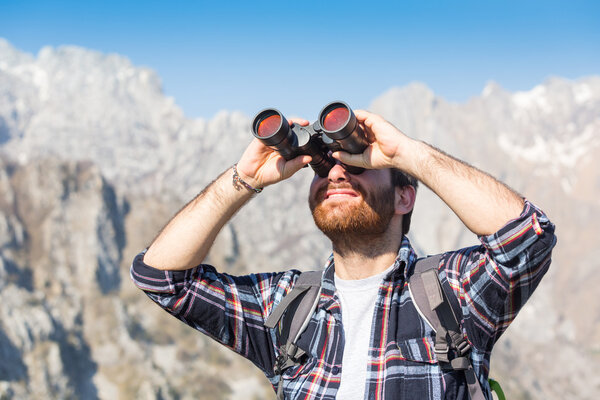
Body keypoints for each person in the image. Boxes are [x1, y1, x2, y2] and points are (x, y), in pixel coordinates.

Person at [130, 109, 556, 400]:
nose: (334, 171)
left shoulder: (452, 291)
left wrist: (408, 153)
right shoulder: (287, 304)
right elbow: (163, 278)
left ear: (404, 197)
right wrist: (243, 179)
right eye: (322, 167)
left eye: (357, 164)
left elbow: (527, 238)